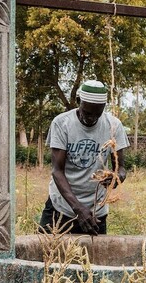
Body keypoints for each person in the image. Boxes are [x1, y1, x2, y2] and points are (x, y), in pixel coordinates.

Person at [39, 80, 130, 235]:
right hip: (61, 207)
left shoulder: (113, 126)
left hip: (95, 212)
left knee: (93, 258)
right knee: (47, 255)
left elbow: (120, 169)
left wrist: (116, 178)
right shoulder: (62, 123)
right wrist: (78, 208)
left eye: (97, 114)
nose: (92, 118)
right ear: (79, 102)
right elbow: (57, 171)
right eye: (87, 113)